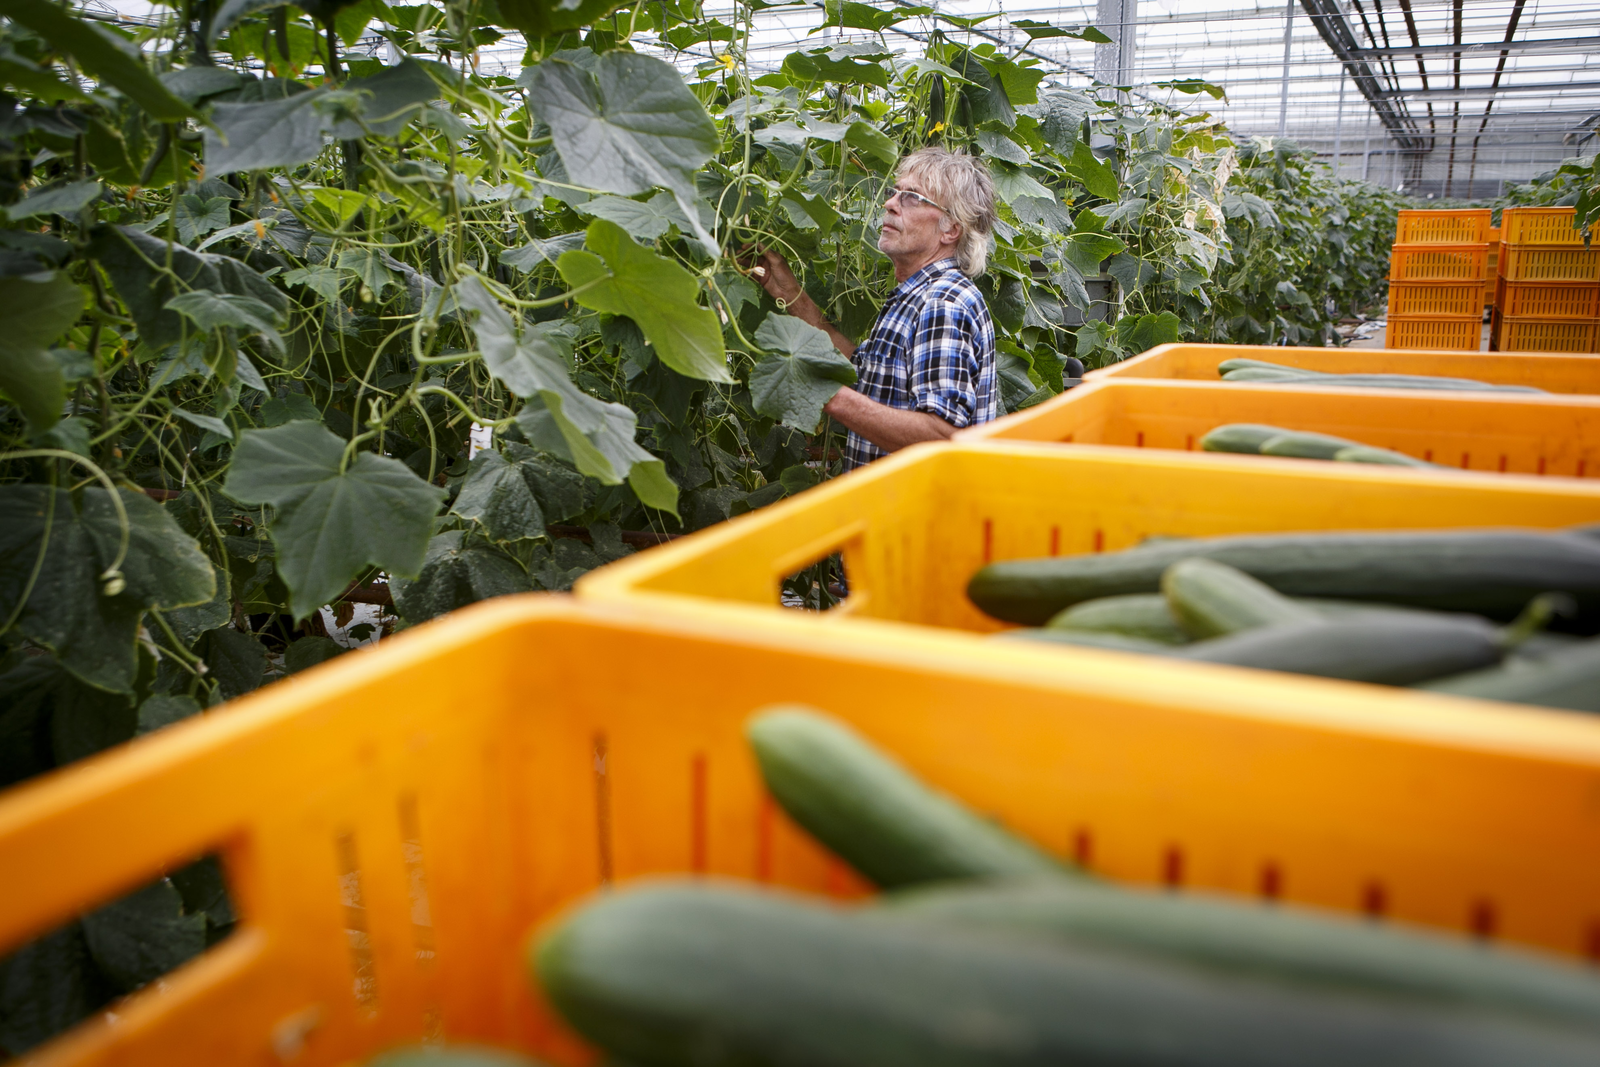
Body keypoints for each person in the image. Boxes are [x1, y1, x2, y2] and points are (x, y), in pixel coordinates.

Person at [745, 147, 1000, 470]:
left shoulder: (942, 302)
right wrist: (787, 291)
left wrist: (827, 394)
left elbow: (943, 437)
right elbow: (860, 372)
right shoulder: (918, 295)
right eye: (896, 192)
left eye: (912, 197)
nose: (890, 203)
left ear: (951, 229)